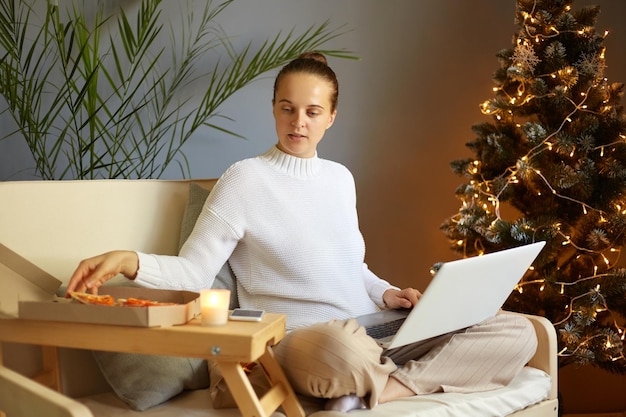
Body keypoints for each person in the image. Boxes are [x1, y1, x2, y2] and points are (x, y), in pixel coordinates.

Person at [67, 52, 537, 412]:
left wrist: (387, 291)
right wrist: (130, 260)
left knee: (517, 331)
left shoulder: (340, 178)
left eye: (313, 112)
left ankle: (382, 390)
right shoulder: (245, 178)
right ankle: (375, 377)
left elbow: (351, 267)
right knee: (342, 347)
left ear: (331, 117)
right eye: (288, 108)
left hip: (371, 329)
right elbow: (194, 270)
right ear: (273, 109)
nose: (298, 122)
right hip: (301, 341)